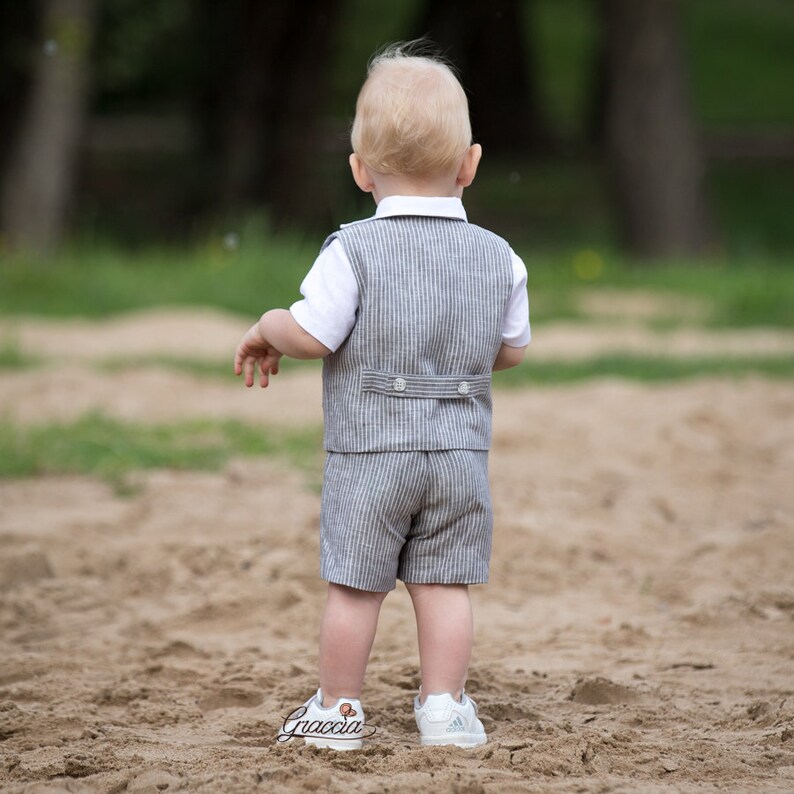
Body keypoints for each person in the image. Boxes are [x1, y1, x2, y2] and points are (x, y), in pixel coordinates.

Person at [234, 41, 530, 751]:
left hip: (371, 455)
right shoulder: (500, 255)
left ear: (360, 171)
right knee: (444, 585)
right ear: (470, 164)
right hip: (458, 456)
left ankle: (337, 710)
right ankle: (446, 708)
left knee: (356, 587)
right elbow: (511, 350)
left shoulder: (352, 250)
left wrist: (268, 325)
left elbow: (314, 334)